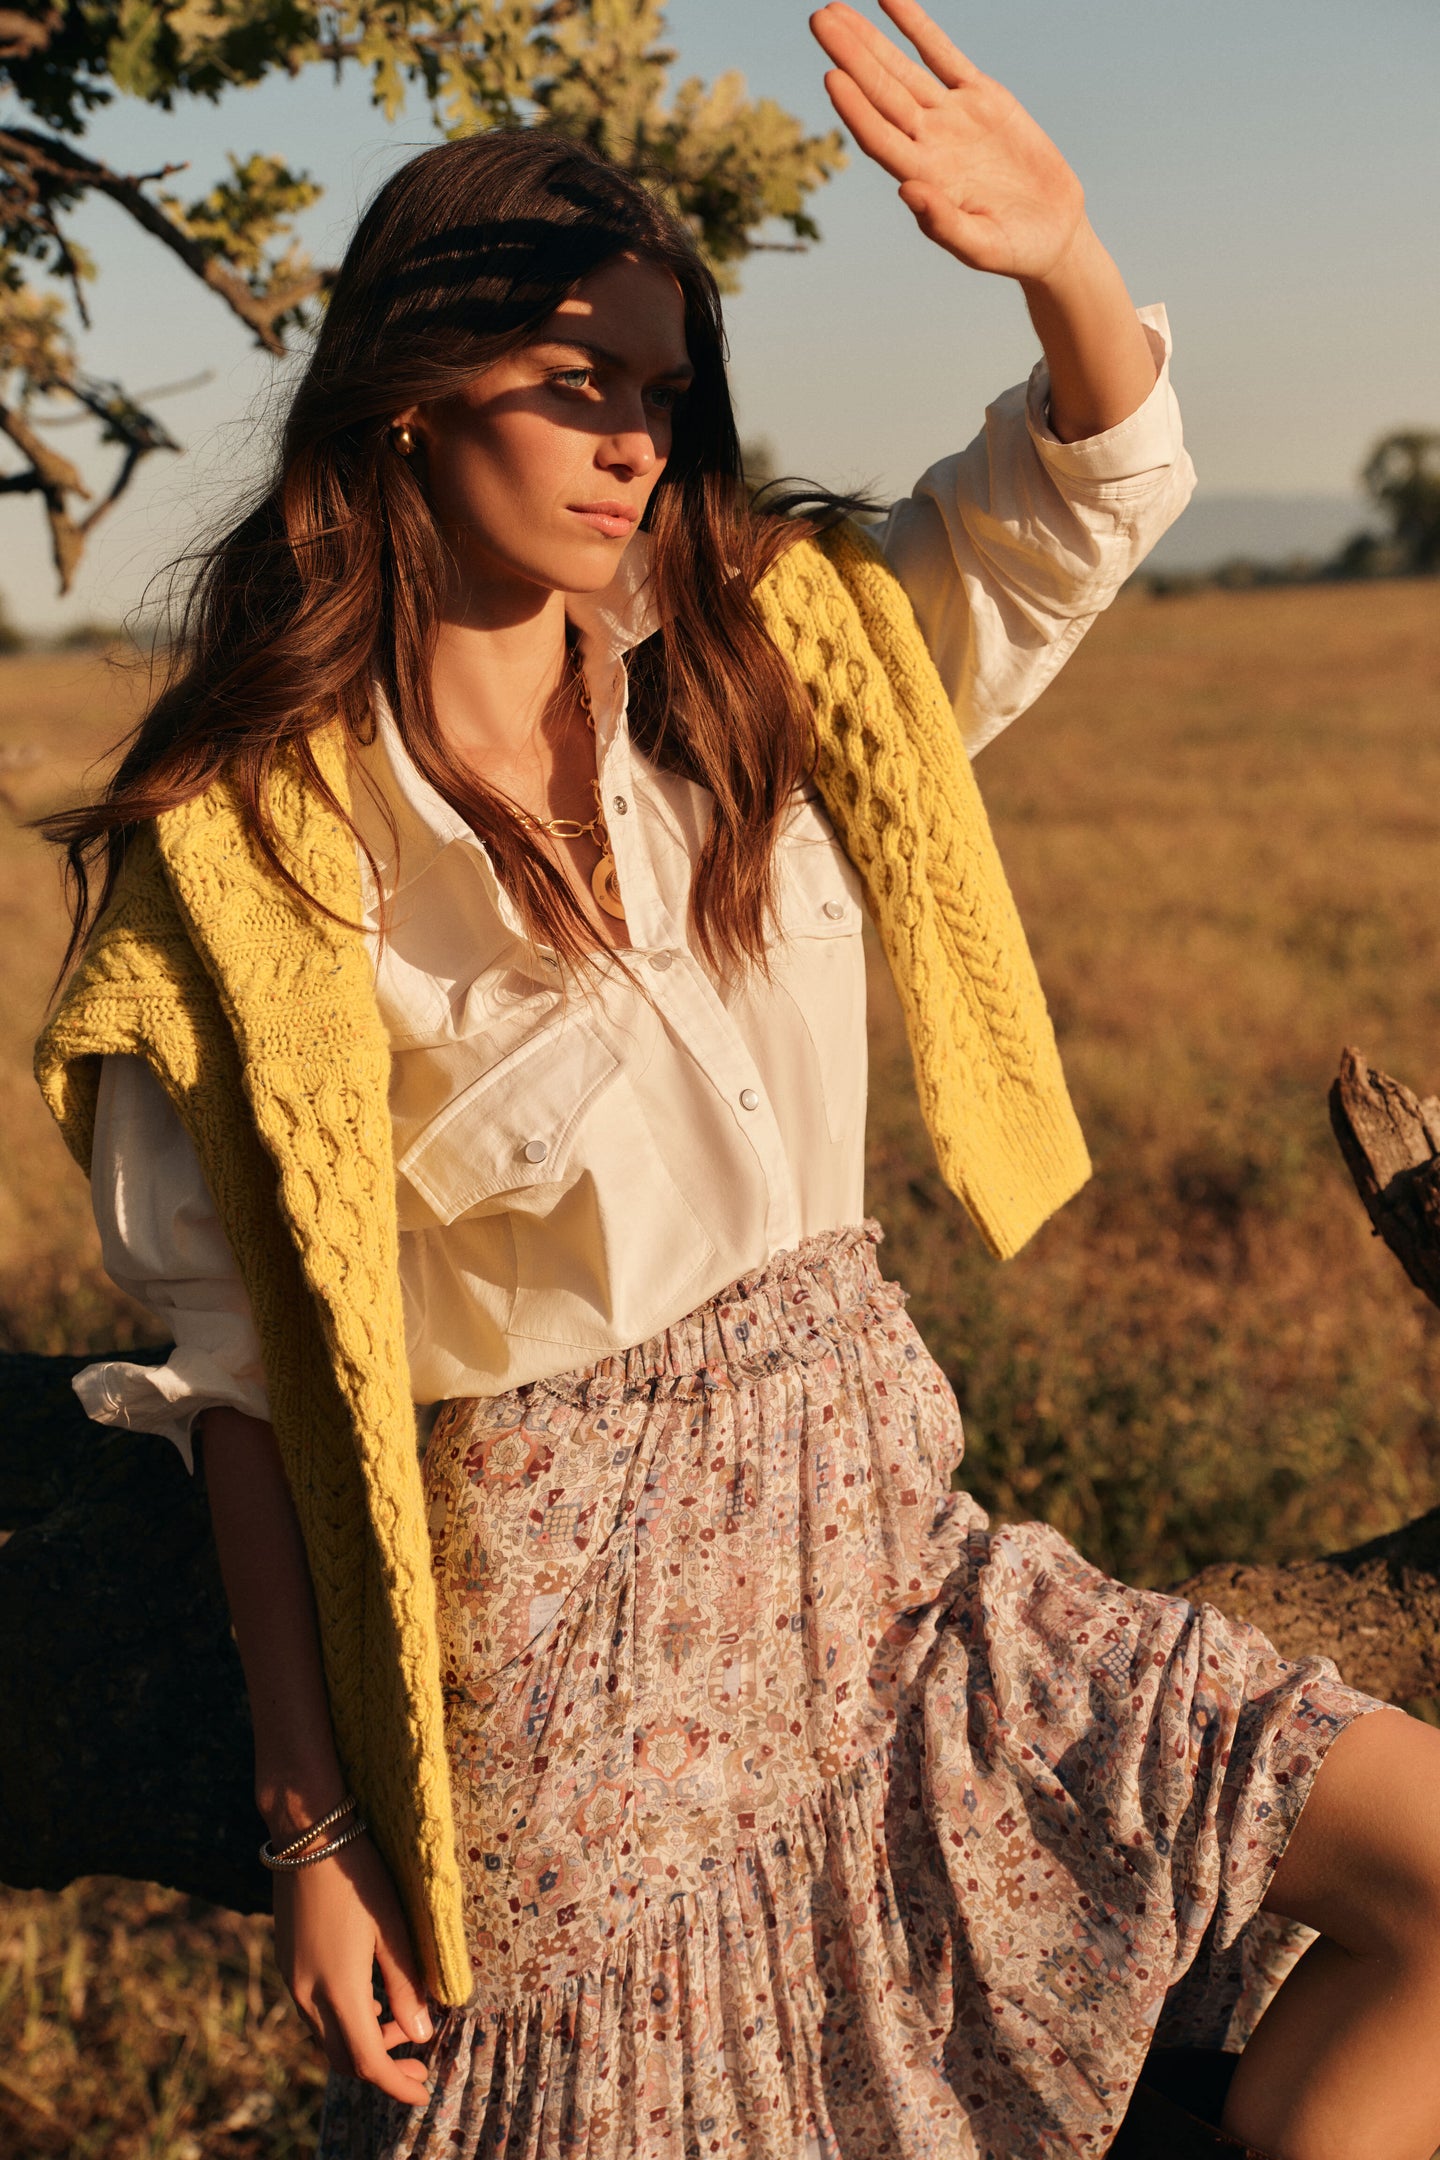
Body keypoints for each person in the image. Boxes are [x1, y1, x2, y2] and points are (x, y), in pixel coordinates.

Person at [34, 4, 1440, 2157]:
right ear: (408, 401)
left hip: (896, 1568)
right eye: (573, 383)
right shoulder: (245, 861)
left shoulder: (777, 680)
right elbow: (250, 1397)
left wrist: (1058, 249)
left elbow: (1075, 500)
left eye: (660, 394)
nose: (630, 441)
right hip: (580, 1696)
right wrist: (315, 1845)